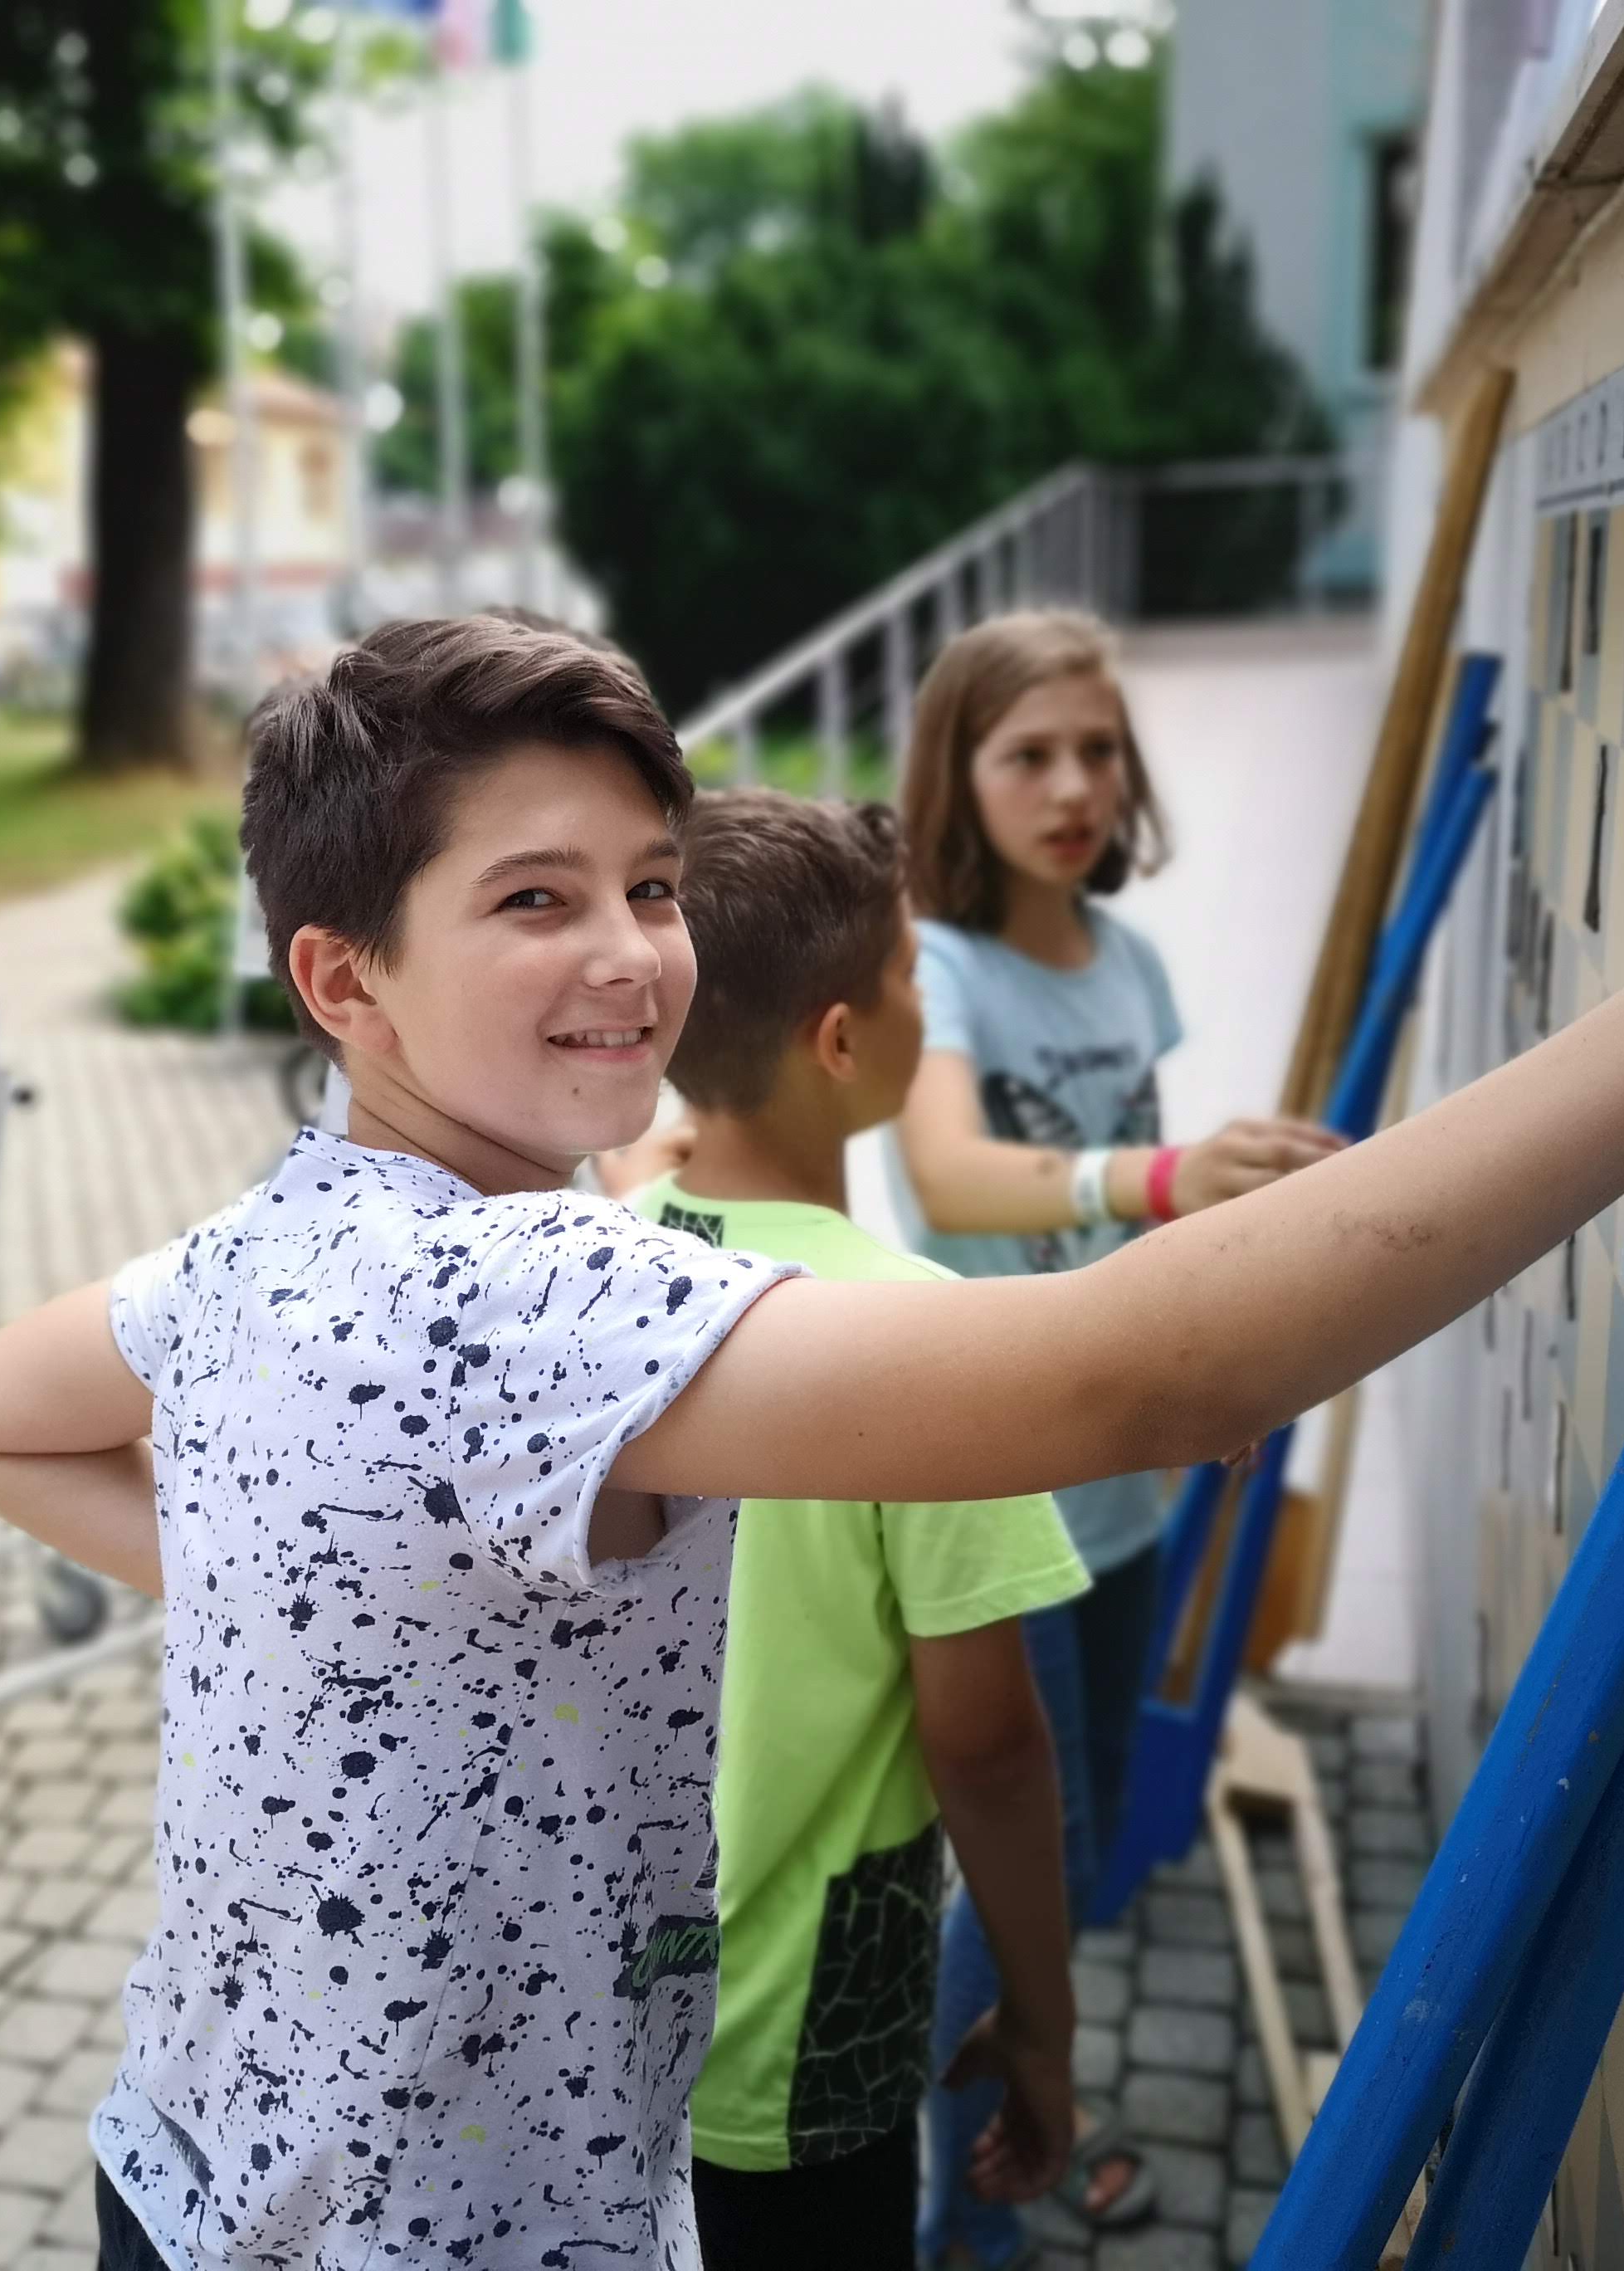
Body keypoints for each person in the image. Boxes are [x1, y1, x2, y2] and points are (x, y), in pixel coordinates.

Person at [0, 448, 1624, 2271]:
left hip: (180, 2170)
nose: (628, 951)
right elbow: (1144, 1379)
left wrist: (307, 1583)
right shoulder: (525, 1300)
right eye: (533, 900)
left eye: (649, 886)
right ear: (343, 978)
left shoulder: (268, 1245)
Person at [887, 608, 1339, 2259]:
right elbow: (950, 1179)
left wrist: (1218, 1351)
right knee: (1033, 1864)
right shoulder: (936, 966)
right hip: (999, 1483)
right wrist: (1157, 1176)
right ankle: (959, 2212)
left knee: (1075, 1869)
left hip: (1126, 1486)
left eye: (1098, 750)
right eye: (1029, 755)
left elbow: (1142, 1234)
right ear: (957, 774)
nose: (1074, 787)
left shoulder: (1124, 960)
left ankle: (1009, 2128)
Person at [623, 789, 1088, 2268]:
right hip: (799, 2035)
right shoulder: (922, 1343)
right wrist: (1040, 2022)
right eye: (905, 976)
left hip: (586, 2009)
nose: (924, 1005)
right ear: (839, 1042)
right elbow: (988, 1746)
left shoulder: (582, 1268)